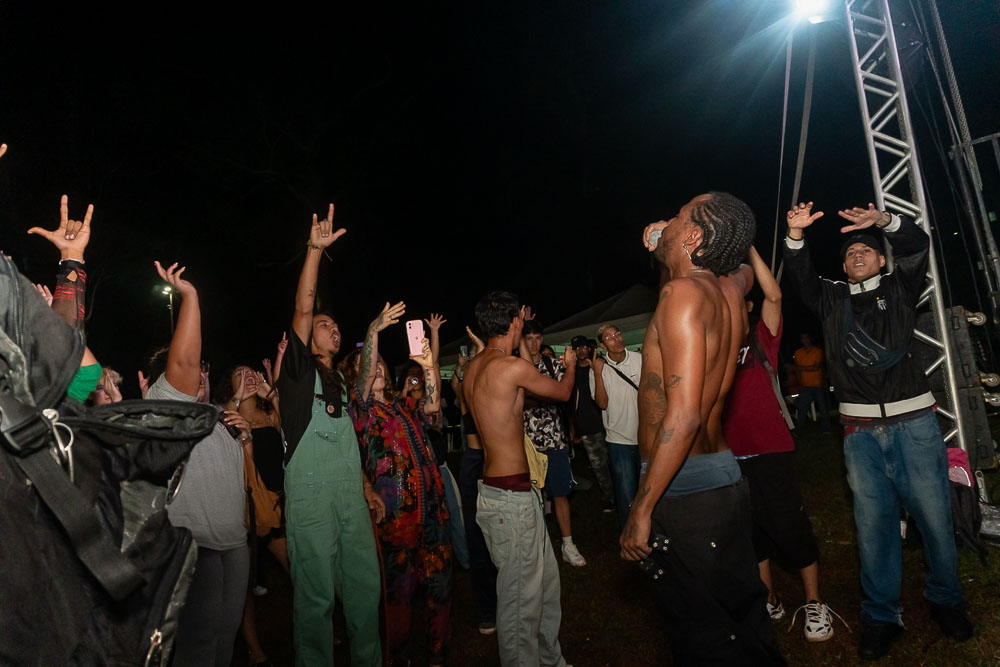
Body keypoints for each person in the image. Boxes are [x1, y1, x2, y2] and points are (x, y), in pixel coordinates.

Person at [783, 201, 972, 660]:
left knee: (934, 521)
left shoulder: (901, 285)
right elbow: (802, 276)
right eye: (850, 254)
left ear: (882, 259)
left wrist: (885, 223)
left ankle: (946, 600)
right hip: (860, 433)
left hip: (916, 425)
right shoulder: (831, 297)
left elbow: (917, 245)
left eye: (866, 250)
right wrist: (794, 236)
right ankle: (882, 615)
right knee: (873, 527)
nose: (857, 256)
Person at [620, 192, 783, 665]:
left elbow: (684, 414)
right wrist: (666, 240)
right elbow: (743, 268)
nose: (667, 218)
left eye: (679, 215)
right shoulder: (730, 289)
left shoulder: (682, 294)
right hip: (723, 479)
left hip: (683, 491)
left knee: (704, 640)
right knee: (743, 625)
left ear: (693, 236)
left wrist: (641, 508)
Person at [274, 205, 385, 667]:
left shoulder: (340, 383)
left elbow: (350, 445)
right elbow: (303, 305)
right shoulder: (298, 377)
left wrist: (364, 488)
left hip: (349, 499)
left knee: (365, 592)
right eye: (325, 325)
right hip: (311, 502)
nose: (333, 329)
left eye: (336, 326)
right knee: (316, 602)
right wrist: (314, 252)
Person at [723, 246, 838, 642]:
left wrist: (747, 248)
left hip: (772, 449)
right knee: (751, 530)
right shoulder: (709, 345)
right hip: (729, 455)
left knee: (790, 524)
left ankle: (814, 602)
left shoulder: (760, 338)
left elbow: (775, 296)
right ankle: (768, 595)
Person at [143, 261, 250, 667]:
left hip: (234, 547)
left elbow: (242, 483)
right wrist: (191, 296)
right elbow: (184, 364)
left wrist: (244, 437)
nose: (201, 373)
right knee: (197, 648)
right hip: (195, 548)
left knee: (224, 641)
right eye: (194, 368)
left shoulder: (220, 421)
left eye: (207, 370)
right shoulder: (164, 406)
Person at [463, 292, 575, 667]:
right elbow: (559, 391)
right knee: (517, 609)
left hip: (507, 496)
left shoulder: (475, 369)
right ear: (514, 322)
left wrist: (519, 333)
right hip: (510, 501)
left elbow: (520, 399)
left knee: (544, 589)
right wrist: (572, 365)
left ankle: (551, 660)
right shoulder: (509, 368)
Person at [343, 301, 453, 667]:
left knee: (440, 586)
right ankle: (399, 658)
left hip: (434, 511)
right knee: (399, 598)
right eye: (365, 364)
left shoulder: (404, 405)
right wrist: (372, 332)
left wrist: (429, 366)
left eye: (377, 362)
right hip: (396, 521)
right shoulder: (360, 411)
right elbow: (361, 386)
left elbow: (434, 406)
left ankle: (438, 654)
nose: (374, 367)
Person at [221, 365, 290, 667]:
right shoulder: (227, 414)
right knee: (243, 585)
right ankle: (253, 648)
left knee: (299, 571)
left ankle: (312, 627)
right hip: (243, 511)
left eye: (251, 371)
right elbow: (224, 427)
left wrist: (272, 395)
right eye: (240, 372)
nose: (248, 374)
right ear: (230, 384)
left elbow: (292, 432)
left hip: (276, 508)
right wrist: (236, 399)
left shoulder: (269, 416)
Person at [520, 319, 586, 566]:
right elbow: (525, 400)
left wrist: (542, 396)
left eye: (538, 337)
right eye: (529, 338)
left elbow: (564, 393)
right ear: (522, 341)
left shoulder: (550, 363)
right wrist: (547, 395)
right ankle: (537, 550)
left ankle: (568, 545)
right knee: (531, 499)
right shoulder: (518, 367)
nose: (535, 343)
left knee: (560, 494)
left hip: (555, 441)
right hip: (528, 444)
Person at [590, 323, 642, 529]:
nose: (617, 339)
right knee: (626, 493)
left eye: (618, 334)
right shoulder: (598, 369)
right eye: (610, 337)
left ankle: (652, 534)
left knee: (648, 489)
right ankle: (630, 537)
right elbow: (602, 403)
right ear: (603, 345)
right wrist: (596, 373)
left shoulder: (639, 360)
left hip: (645, 437)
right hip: (618, 439)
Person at [568, 334, 616, 513]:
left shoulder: (599, 366)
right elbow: (569, 404)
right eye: (577, 348)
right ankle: (610, 498)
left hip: (607, 424)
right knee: (599, 466)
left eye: (583, 347)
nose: (581, 351)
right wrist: (573, 429)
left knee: (615, 463)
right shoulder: (571, 373)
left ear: (589, 348)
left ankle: (625, 495)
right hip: (586, 428)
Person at [793, 333, 831, 433]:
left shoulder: (818, 351)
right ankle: (798, 431)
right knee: (802, 410)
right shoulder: (798, 353)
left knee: (823, 410)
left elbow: (816, 367)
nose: (805, 340)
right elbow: (797, 370)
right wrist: (800, 382)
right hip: (805, 386)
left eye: (806, 338)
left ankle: (826, 430)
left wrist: (800, 368)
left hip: (817, 385)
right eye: (802, 338)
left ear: (810, 339)